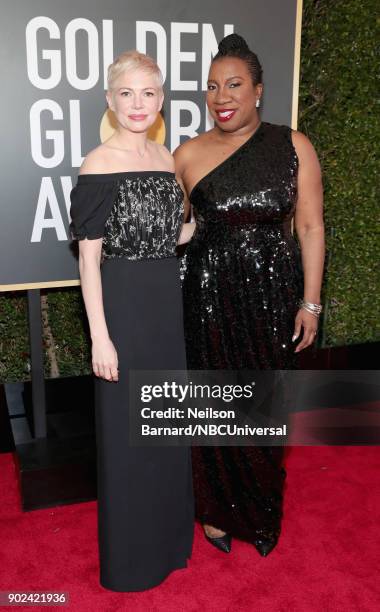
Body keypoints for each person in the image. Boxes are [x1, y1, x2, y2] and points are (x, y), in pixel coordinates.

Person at [174, 34, 325, 556]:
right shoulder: (188, 153)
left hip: (272, 296)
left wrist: (310, 302)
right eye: (213, 87)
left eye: (234, 84)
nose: (222, 95)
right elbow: (174, 231)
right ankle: (215, 512)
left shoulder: (292, 144)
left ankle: (259, 510)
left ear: (258, 91)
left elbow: (309, 227)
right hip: (206, 298)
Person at [69, 50, 195, 592]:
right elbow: (88, 259)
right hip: (122, 308)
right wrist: (101, 336)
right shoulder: (97, 164)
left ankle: (168, 544)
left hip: (166, 304)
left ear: (161, 99)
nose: (137, 104)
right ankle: (131, 562)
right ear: (110, 100)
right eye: (126, 93)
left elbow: (174, 235)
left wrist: (212, 221)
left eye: (148, 93)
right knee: (127, 435)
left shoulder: (167, 158)